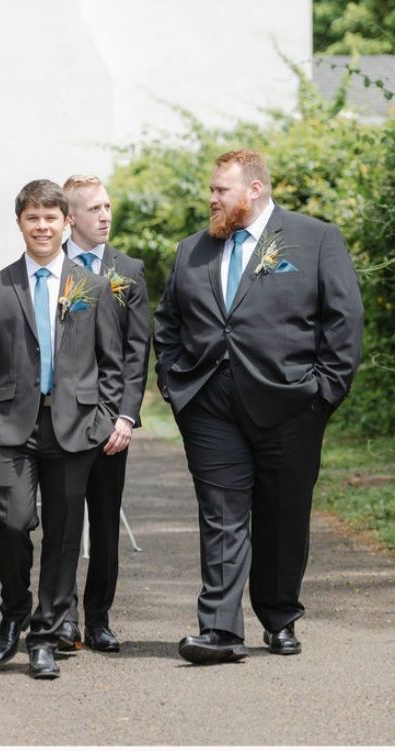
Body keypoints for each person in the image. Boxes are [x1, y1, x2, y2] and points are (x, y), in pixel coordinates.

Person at [154, 149, 363, 664]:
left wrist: (324, 391)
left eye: (221, 189)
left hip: (291, 403)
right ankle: (221, 631)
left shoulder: (315, 239)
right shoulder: (192, 250)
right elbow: (169, 322)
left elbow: (344, 317)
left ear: (254, 189)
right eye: (212, 189)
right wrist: (175, 383)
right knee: (221, 514)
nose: (212, 198)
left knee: (282, 515)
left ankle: (279, 617)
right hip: (209, 404)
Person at [0, 179, 123, 679]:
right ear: (20, 224)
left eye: (51, 218)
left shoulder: (92, 286)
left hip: (74, 427)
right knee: (12, 523)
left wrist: (104, 419)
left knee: (64, 534)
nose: (42, 226)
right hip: (10, 425)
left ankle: (44, 633)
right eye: (33, 218)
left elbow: (112, 362)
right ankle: (14, 610)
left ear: (65, 223)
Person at [57, 175, 150, 653]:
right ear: (70, 217)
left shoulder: (128, 269)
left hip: (111, 419)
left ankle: (99, 617)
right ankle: (63, 616)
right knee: (65, 520)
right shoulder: (54, 267)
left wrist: (126, 416)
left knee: (106, 521)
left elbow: (138, 350)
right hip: (65, 418)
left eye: (108, 206)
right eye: (94, 208)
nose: (105, 215)